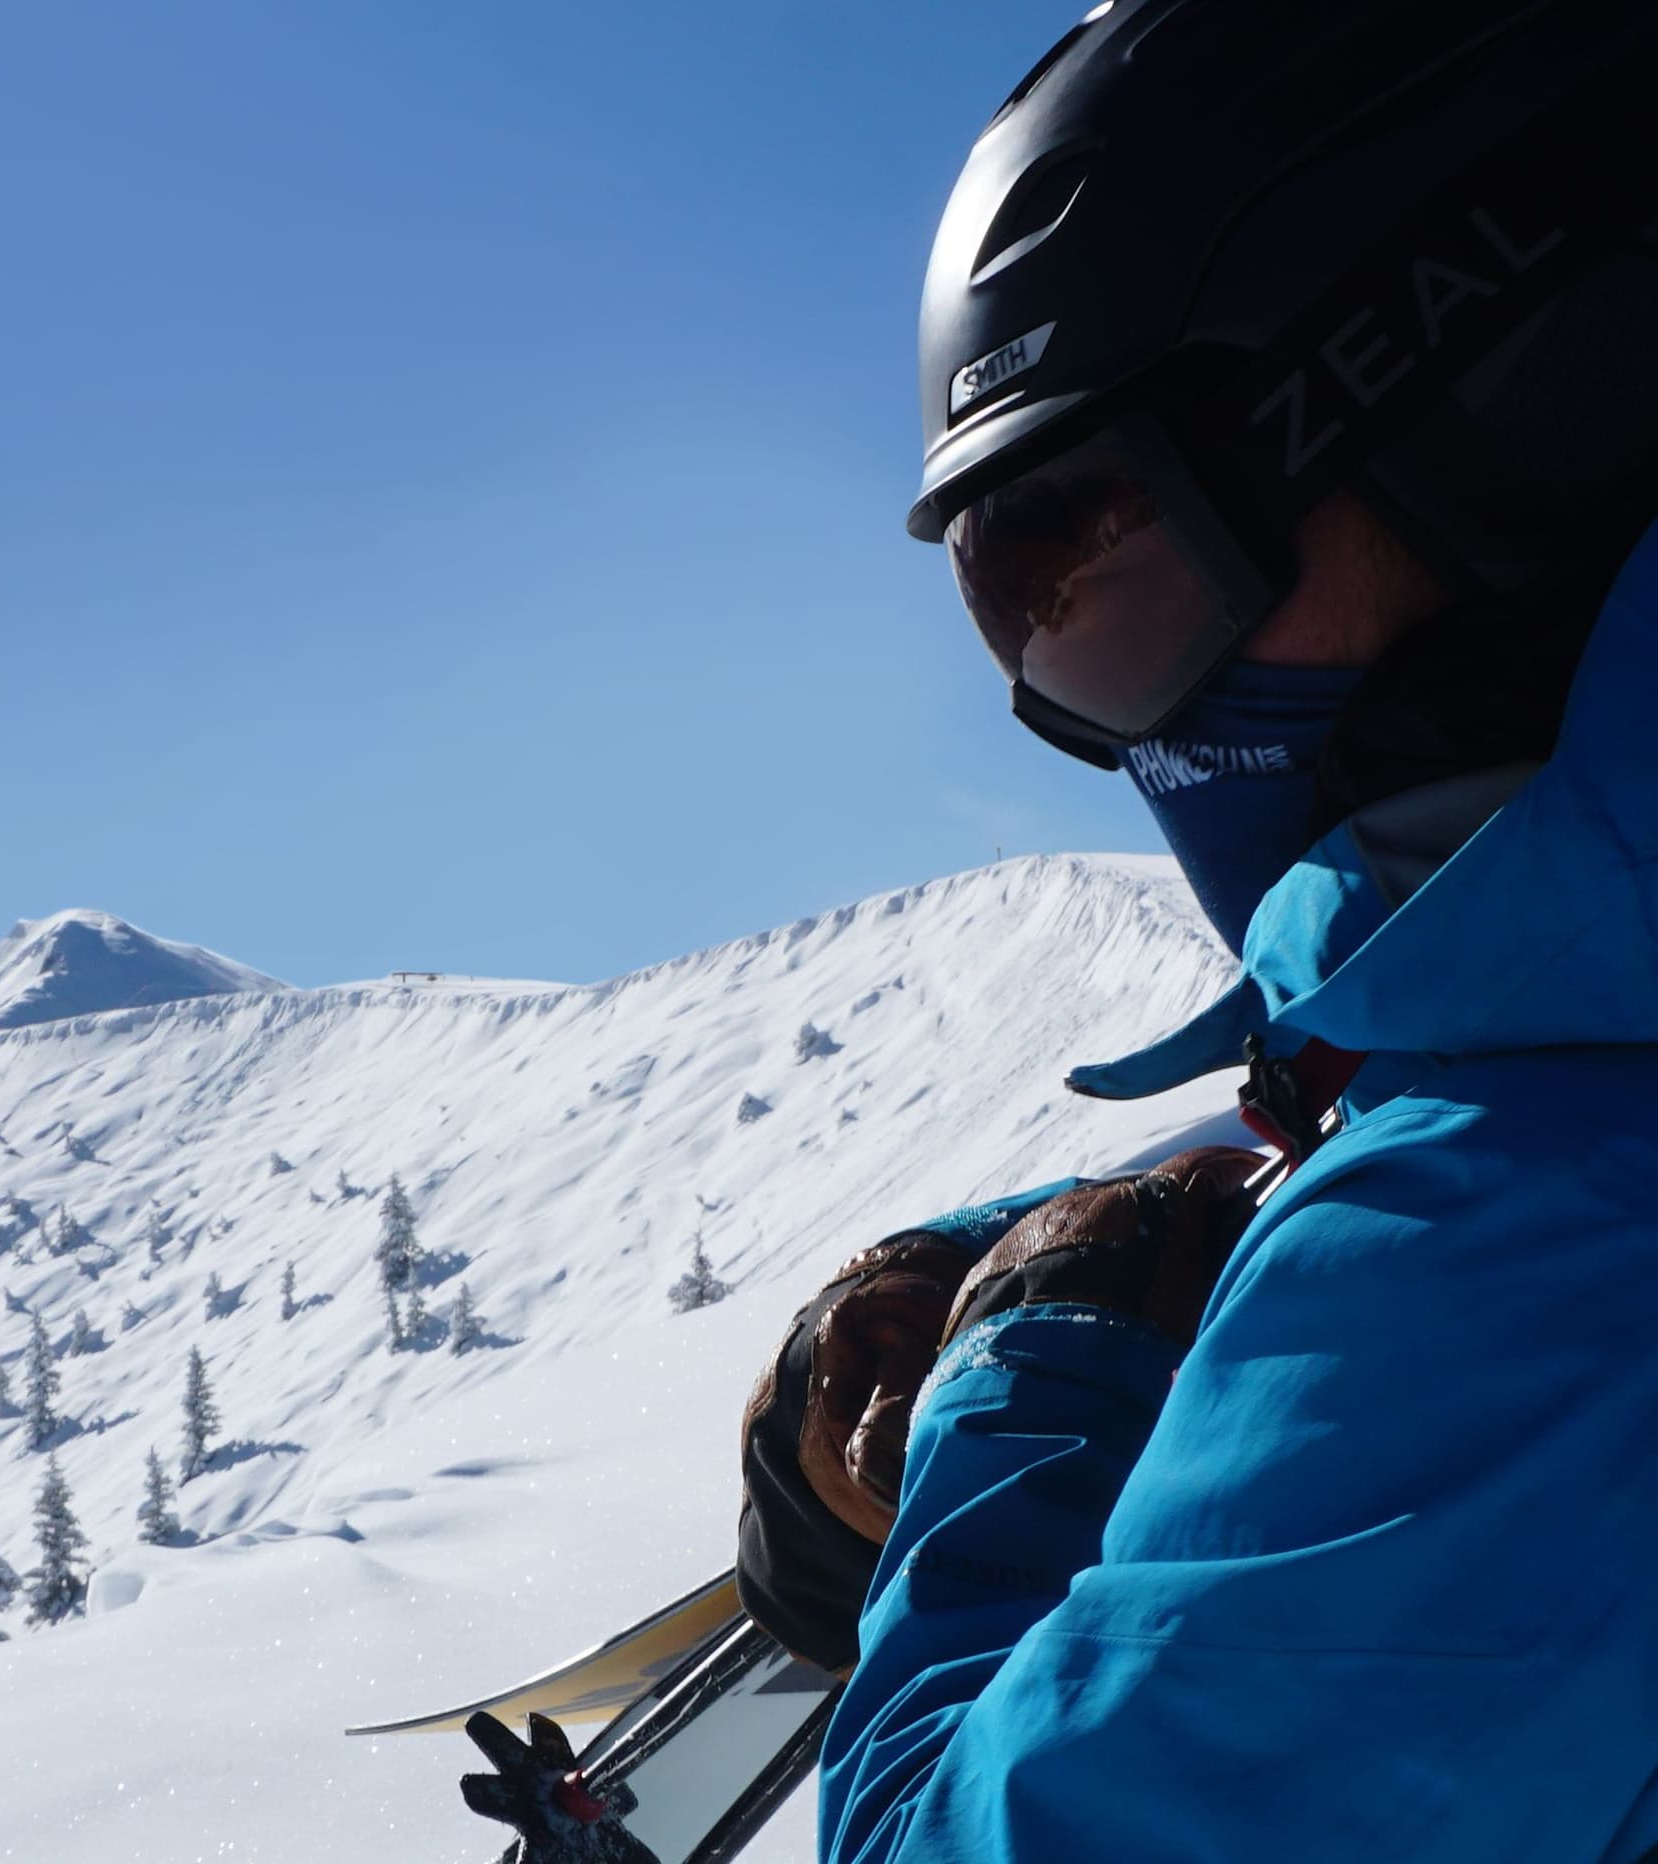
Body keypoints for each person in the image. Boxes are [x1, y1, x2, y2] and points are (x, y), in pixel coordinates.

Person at [732, 3, 1658, 1858]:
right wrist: (1059, 1258)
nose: (1096, 718)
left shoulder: (1528, 1265)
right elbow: (1433, 1100)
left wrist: (1023, 1404)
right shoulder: (1561, 1041)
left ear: (1513, 403)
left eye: (1092, 576)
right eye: (1023, 603)